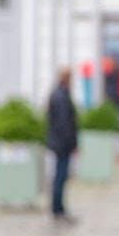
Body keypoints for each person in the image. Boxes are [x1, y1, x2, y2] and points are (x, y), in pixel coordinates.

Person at [45, 67, 78, 225]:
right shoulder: (61, 96)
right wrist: (72, 143)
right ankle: (57, 210)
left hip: (58, 142)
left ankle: (58, 209)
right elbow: (65, 123)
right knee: (60, 177)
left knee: (60, 176)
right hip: (62, 144)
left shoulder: (58, 94)